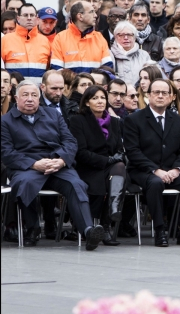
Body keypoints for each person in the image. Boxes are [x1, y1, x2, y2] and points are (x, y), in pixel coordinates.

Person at [1, 80, 105, 249]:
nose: (30, 99)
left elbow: (70, 141)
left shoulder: (53, 115)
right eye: (25, 95)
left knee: (76, 184)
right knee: (24, 183)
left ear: (39, 97)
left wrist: (62, 160)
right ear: (16, 98)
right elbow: (6, 153)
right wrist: (35, 164)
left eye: (34, 95)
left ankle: (88, 231)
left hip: (57, 164)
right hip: (27, 167)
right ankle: (32, 228)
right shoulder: (5, 121)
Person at [123, 78, 180, 248]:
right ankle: (160, 230)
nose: (160, 96)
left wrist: (177, 169)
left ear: (171, 97)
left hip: (171, 170)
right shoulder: (134, 120)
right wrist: (154, 170)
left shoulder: (179, 121)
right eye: (156, 92)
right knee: (156, 183)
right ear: (148, 96)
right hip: (143, 171)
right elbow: (133, 152)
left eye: (164, 93)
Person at [69, 86, 127, 246]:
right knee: (108, 178)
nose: (100, 101)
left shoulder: (114, 122)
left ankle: (107, 223)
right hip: (87, 166)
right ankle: (98, 224)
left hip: (110, 166)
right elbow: (80, 152)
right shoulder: (77, 120)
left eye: (102, 97)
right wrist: (106, 160)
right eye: (95, 98)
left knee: (120, 167)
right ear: (87, 102)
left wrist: (118, 156)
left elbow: (119, 148)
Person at [51, 1, 113, 73]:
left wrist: (93, 81)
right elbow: (56, 69)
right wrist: (75, 81)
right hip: (70, 84)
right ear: (80, 16)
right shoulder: (60, 38)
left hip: (95, 84)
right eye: (91, 12)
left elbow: (108, 67)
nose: (95, 15)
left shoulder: (99, 38)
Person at [1, 3, 51, 84]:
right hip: (13, 92)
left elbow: (48, 68)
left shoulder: (45, 41)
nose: (29, 18)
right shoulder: (5, 40)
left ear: (37, 18)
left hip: (37, 92)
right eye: (25, 15)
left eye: (32, 15)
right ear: (18, 18)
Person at [110, 21, 151, 85]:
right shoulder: (109, 54)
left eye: (129, 35)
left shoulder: (144, 55)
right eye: (121, 35)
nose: (126, 38)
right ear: (115, 37)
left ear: (135, 37)